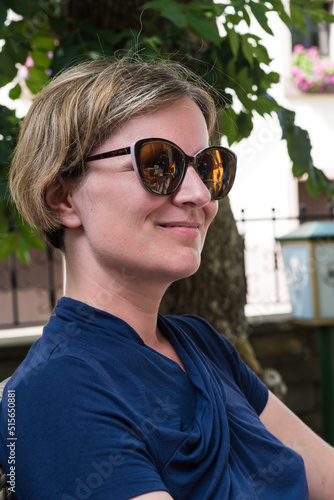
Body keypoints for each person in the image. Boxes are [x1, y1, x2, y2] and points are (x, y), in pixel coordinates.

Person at [0, 56, 333, 500]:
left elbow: (324, 473)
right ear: (64, 198)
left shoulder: (201, 345)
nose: (199, 194)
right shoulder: (54, 395)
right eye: (158, 164)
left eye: (209, 167)